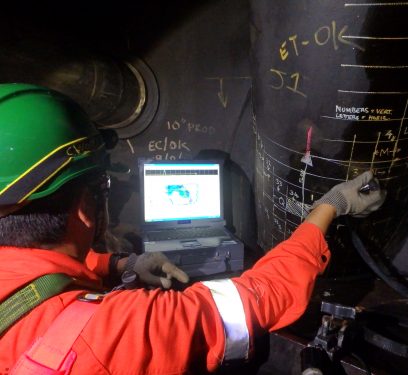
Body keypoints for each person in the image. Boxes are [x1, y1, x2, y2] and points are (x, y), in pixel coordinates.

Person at [0, 83, 386, 374]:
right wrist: (329, 207)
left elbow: (36, 280)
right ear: (85, 208)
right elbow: (262, 295)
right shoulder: (125, 328)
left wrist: (122, 265)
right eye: (102, 190)